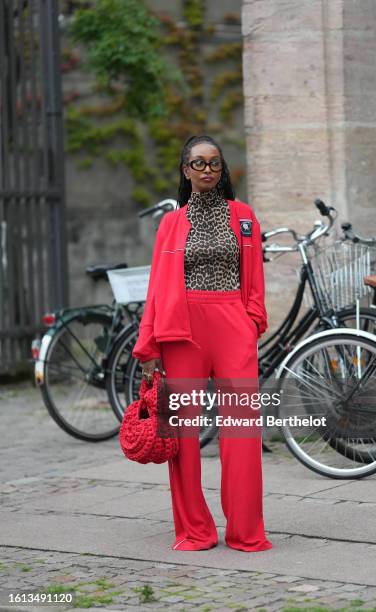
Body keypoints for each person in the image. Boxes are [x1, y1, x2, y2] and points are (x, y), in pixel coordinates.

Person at [132, 134, 273, 553]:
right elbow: (157, 286)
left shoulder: (243, 216)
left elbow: (255, 279)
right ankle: (196, 530)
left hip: (232, 324)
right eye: (199, 163)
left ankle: (246, 531)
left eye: (214, 163)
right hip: (182, 331)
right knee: (182, 435)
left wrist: (250, 321)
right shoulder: (172, 224)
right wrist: (148, 347)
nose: (207, 170)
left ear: (222, 169)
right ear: (185, 170)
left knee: (243, 432)